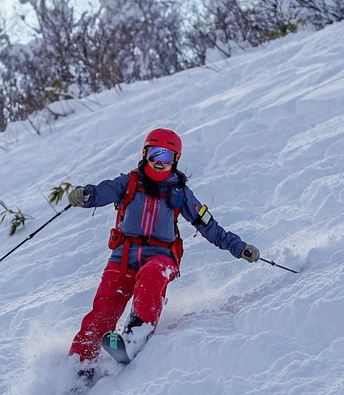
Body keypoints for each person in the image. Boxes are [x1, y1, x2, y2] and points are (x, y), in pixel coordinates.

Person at [65, 127, 258, 369]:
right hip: (123, 256)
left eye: (166, 157)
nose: (158, 162)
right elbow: (101, 192)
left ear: (175, 160)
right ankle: (75, 370)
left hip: (161, 256)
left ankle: (135, 336)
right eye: (154, 154)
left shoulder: (180, 193)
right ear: (145, 154)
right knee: (103, 311)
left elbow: (208, 225)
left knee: (152, 274)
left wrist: (238, 247)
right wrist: (85, 195)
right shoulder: (129, 183)